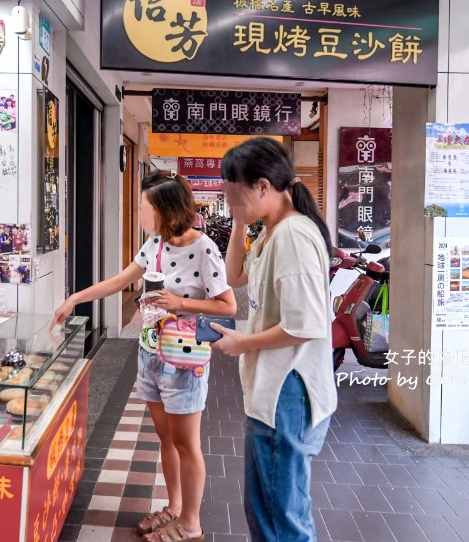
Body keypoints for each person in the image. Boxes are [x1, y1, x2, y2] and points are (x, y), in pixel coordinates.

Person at [51, 170, 236, 542]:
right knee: (165, 440)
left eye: (143, 206)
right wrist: (74, 299)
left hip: (183, 359)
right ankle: (174, 507)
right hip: (150, 352)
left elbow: (228, 305)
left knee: (187, 444)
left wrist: (179, 302)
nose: (138, 211)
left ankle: (191, 523)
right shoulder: (154, 243)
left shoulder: (204, 248)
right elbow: (120, 281)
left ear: (166, 209)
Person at [210, 137, 336, 542]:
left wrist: (241, 343)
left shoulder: (292, 236)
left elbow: (307, 324)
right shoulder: (270, 232)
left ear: (263, 186)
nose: (229, 202)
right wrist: (240, 222)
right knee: (264, 506)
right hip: (275, 386)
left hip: (290, 389)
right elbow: (232, 276)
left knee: (282, 516)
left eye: (234, 193)